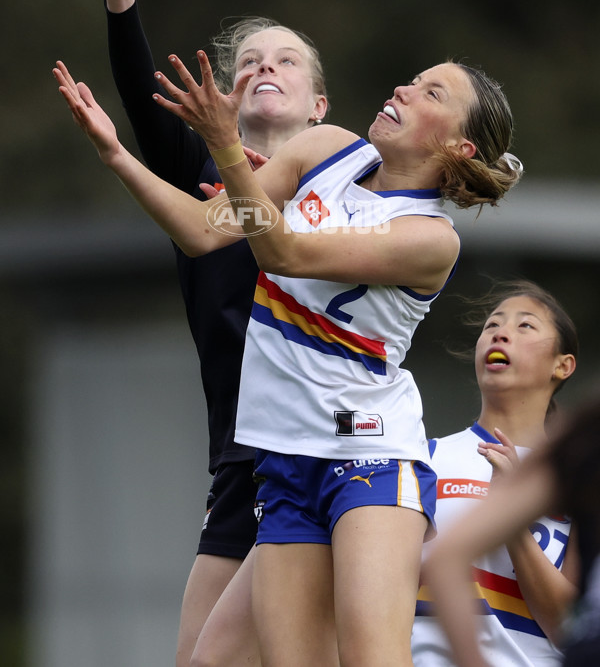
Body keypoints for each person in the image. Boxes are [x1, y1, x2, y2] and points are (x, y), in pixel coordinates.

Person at [53, 43, 521, 666]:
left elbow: (281, 252)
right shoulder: (325, 147)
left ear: (459, 150)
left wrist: (226, 148)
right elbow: (202, 231)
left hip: (371, 456)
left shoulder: (431, 239)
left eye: (431, 93)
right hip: (287, 458)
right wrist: (117, 155)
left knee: (369, 658)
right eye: (412, 78)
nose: (404, 90)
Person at [58, 0, 329, 667]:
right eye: (248, 62)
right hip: (241, 458)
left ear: (321, 107)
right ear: (225, 98)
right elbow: (146, 106)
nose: (262, 67)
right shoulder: (201, 178)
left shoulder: (347, 191)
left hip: (327, 453)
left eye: (285, 60)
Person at [412, 280, 579, 667]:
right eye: (492, 325)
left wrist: (510, 517)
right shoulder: (421, 457)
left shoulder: (578, 479)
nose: (500, 333)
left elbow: (570, 628)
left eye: (525, 326)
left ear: (563, 365)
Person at [424, 390, 600, 667]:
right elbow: (445, 559)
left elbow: (564, 621)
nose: (500, 342)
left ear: (564, 365)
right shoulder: (581, 450)